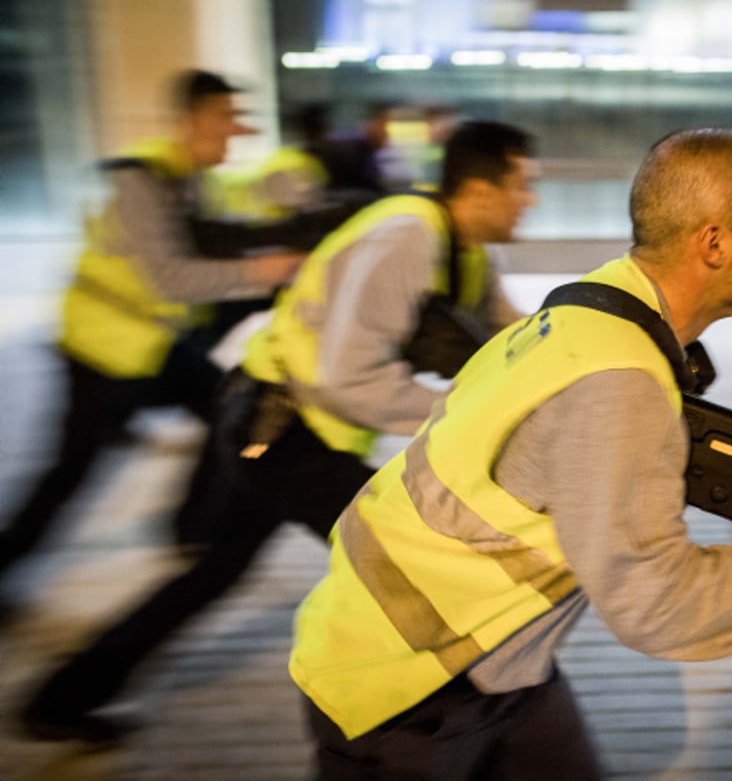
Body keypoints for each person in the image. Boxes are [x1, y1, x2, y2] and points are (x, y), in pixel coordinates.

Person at [286, 128, 732, 779]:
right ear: (713, 242)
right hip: (402, 688)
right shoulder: (619, 382)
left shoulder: (594, 307)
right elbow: (653, 602)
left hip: (497, 659)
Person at [18, 120, 539, 745]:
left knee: (216, 569)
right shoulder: (404, 237)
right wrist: (459, 414)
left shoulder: (468, 252)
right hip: (280, 429)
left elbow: (513, 340)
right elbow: (343, 378)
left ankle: (60, 698)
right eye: (521, 185)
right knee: (417, 564)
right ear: (481, 190)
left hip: (289, 428)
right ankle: (437, 734)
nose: (529, 200)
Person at [0, 69, 304, 598]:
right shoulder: (142, 178)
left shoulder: (196, 180)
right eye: (224, 118)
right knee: (67, 476)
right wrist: (265, 271)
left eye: (239, 118)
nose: (237, 130)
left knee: (227, 407)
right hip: (103, 349)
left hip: (152, 345)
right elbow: (172, 276)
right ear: (188, 120)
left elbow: (234, 231)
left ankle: (191, 531)